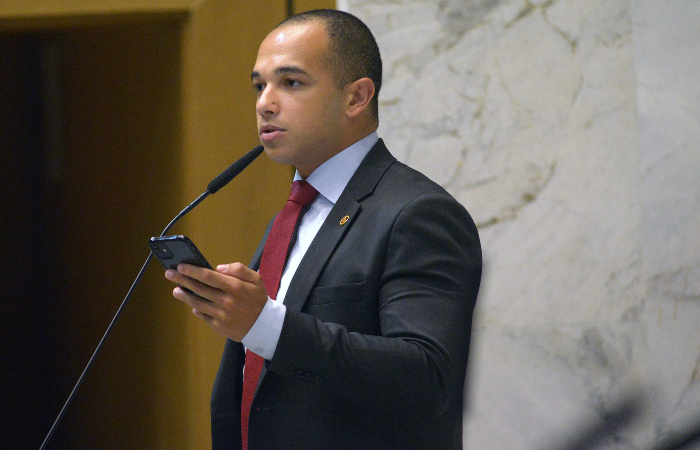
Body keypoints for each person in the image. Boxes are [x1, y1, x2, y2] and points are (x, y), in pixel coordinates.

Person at [164, 9, 482, 450]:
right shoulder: (294, 215)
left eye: (291, 83)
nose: (264, 103)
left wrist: (266, 325)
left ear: (356, 98)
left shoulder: (417, 213)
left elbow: (426, 377)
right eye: (260, 85)